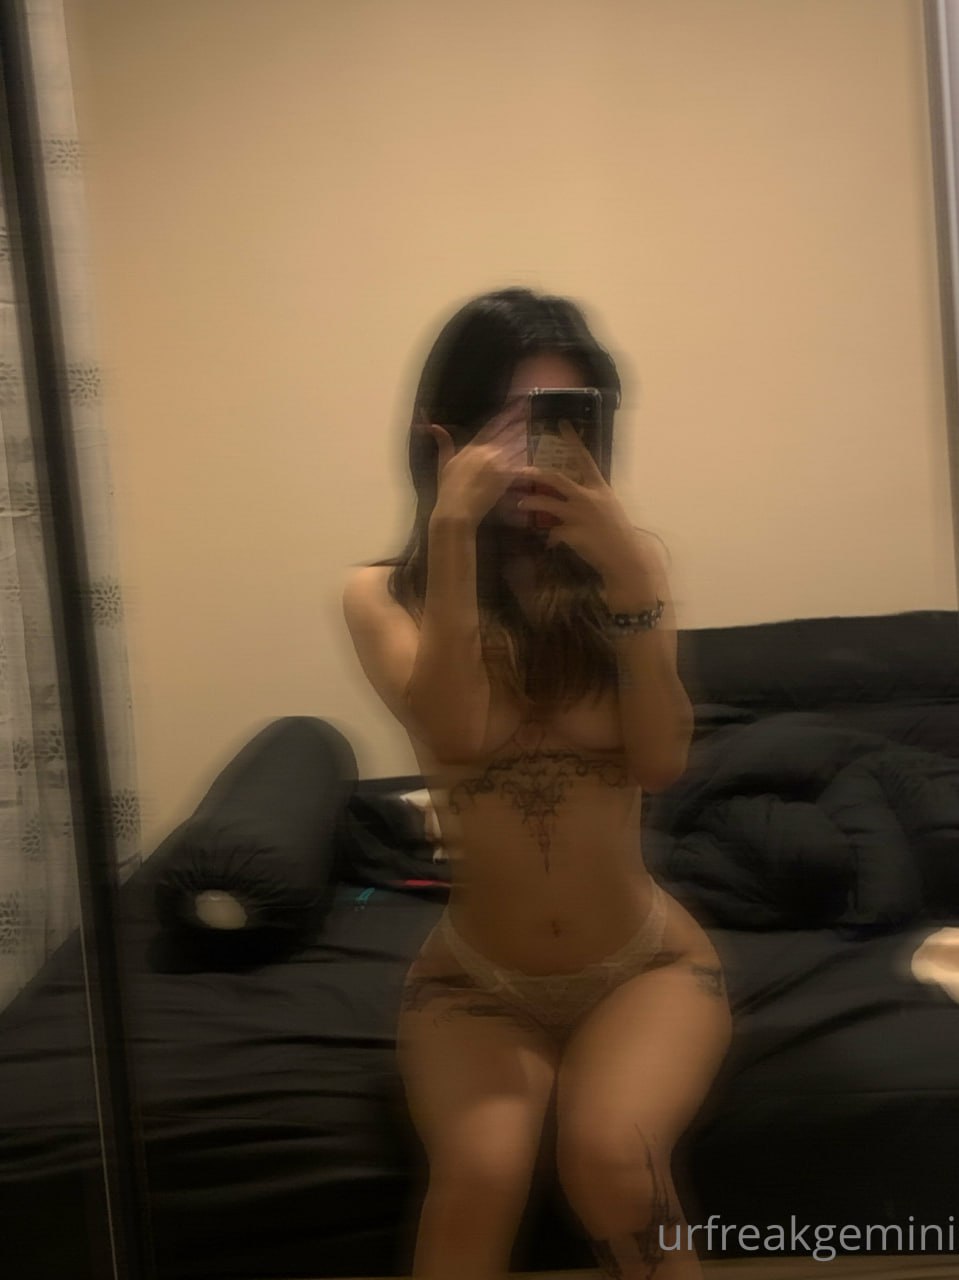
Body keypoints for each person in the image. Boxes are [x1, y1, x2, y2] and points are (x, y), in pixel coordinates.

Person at [342, 288, 732, 1280]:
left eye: (560, 421)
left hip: (642, 966)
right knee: (477, 1177)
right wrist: (453, 534)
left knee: (613, 1163)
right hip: (475, 981)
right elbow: (458, 731)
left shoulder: (624, 572)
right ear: (445, 434)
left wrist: (633, 585)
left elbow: (659, 760)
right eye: (509, 422)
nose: (533, 454)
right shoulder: (382, 594)